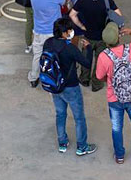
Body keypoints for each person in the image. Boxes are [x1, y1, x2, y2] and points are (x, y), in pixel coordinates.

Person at [95, 23, 131, 164]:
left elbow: (99, 77)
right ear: (119, 37)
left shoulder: (103, 56)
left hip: (114, 98)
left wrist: (109, 79)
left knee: (116, 127)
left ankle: (120, 156)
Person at [43, 17, 98, 156]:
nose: (72, 32)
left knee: (60, 114)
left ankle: (62, 143)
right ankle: (82, 146)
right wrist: (89, 48)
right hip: (71, 87)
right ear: (65, 32)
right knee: (79, 118)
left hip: (55, 86)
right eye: (70, 30)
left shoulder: (48, 43)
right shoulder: (70, 48)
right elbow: (86, 63)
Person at [69, 0, 123, 92]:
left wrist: (81, 26)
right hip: (102, 36)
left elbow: (72, 15)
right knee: (100, 61)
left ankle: (84, 79)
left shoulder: (82, 0)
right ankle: (96, 84)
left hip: (87, 35)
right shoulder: (107, 0)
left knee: (85, 58)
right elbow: (118, 15)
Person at [28, 0, 67, 87]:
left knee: (37, 55)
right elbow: (64, 2)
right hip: (53, 32)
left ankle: (34, 78)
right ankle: (55, 77)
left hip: (39, 30)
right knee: (55, 55)